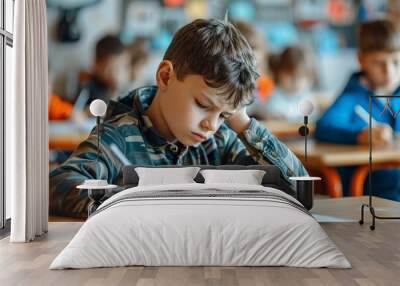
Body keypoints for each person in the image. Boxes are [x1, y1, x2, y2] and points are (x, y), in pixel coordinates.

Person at [50, 19, 308, 218]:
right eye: (203, 104)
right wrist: (146, 200)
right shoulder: (118, 137)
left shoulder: (219, 139)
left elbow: (298, 191)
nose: (211, 124)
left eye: (224, 114)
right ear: (165, 77)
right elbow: (58, 185)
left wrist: (242, 122)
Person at [315, 19, 400, 200]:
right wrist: (360, 135)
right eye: (379, 63)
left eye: (396, 62)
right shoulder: (352, 97)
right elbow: (324, 127)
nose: (389, 71)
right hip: (373, 183)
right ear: (361, 60)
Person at [261, 45, 317, 122]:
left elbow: (312, 116)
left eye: (301, 76)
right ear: (280, 72)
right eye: (291, 76)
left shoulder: (307, 96)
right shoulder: (273, 95)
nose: (296, 82)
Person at [77, 34, 130, 106]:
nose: (115, 74)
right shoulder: (88, 87)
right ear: (96, 64)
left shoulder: (120, 88)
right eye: (110, 70)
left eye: (119, 69)